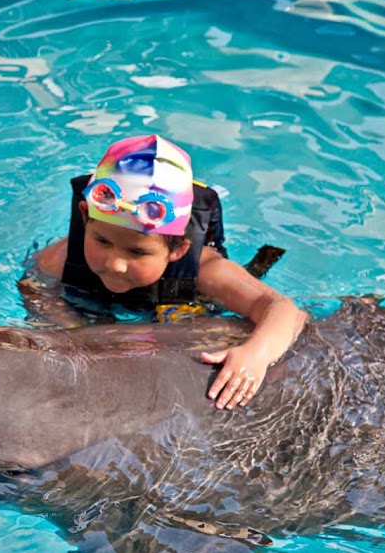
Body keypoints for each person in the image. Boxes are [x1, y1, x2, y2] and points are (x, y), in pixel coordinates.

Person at [18, 134, 307, 410]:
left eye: (137, 252)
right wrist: (80, 334)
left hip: (184, 305)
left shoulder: (207, 272)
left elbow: (285, 310)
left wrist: (254, 355)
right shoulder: (58, 259)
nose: (115, 263)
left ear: (178, 249)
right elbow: (35, 291)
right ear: (85, 216)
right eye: (102, 241)